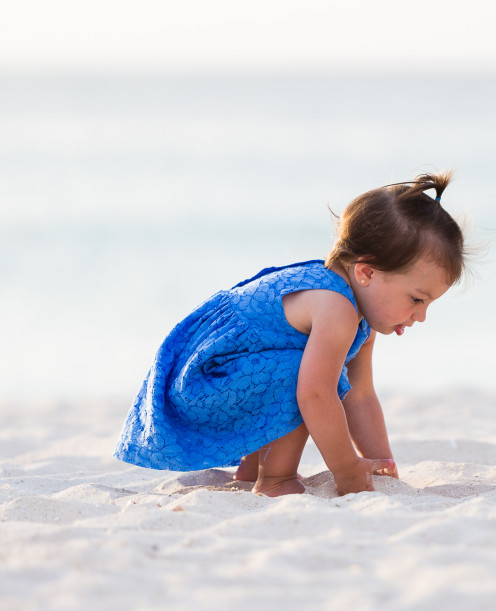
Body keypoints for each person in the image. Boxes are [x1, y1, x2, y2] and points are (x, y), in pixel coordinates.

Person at [114, 172, 465, 496]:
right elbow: (315, 395)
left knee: (297, 366)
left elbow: (360, 397)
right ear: (367, 273)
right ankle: (275, 478)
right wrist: (346, 472)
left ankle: (252, 468)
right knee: (306, 374)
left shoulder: (357, 314)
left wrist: (382, 466)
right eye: (417, 299)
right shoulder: (335, 309)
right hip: (198, 385)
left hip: (228, 378)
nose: (421, 316)